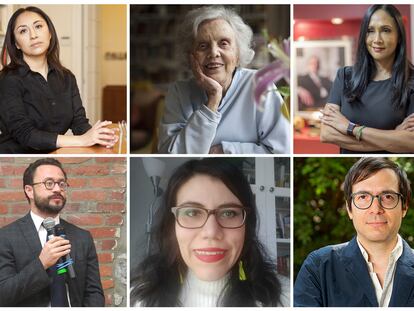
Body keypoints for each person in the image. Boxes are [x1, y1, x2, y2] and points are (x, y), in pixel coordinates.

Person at [130, 158, 289, 306]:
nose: (211, 232)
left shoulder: (286, 298)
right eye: (192, 212)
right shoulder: (138, 298)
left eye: (228, 213)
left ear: (247, 225)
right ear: (172, 225)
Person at [158, 6, 290, 154]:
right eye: (203, 46)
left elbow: (282, 151)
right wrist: (212, 101)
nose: (214, 53)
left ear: (238, 53)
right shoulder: (179, 92)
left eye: (224, 43)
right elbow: (169, 155)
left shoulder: (260, 85)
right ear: (190, 56)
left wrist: (225, 150)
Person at [294, 157, 414, 307]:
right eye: (363, 197)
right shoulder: (318, 267)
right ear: (349, 209)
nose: (376, 209)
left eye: (387, 197)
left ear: (404, 207)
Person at [0, 6, 118, 153]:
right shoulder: (8, 80)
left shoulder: (67, 77)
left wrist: (98, 137)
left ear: (49, 33)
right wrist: (82, 140)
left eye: (38, 26)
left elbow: (79, 123)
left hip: (56, 155)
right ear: (16, 43)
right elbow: (25, 134)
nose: (33, 35)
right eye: (23, 31)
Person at [0, 158, 105, 306]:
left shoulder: (83, 237)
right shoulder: (5, 237)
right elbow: (3, 294)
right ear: (29, 190)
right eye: (49, 183)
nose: (57, 189)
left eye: (62, 184)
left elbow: (93, 293)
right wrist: (41, 263)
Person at [320, 5, 414, 153]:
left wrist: (349, 128)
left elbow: (410, 142)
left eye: (386, 30)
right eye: (370, 31)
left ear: (399, 36)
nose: (377, 39)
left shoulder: (411, 81)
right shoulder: (344, 76)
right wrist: (393, 137)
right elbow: (326, 133)